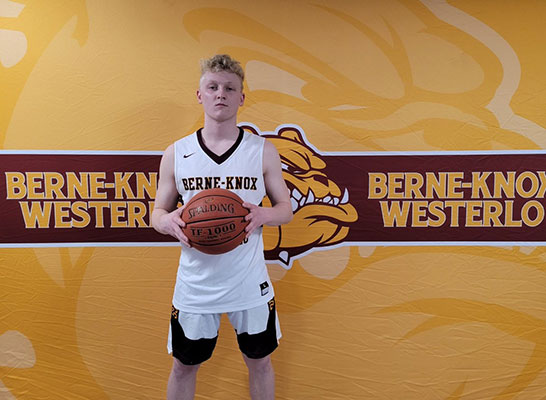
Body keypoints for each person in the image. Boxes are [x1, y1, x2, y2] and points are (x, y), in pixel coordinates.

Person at [152, 54, 293, 400]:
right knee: (183, 367)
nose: (221, 94)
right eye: (212, 87)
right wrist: (167, 221)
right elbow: (156, 213)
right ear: (199, 95)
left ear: (241, 98)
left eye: (230, 88)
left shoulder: (263, 151)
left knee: (260, 363)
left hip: (249, 282)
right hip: (196, 285)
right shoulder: (176, 152)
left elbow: (285, 208)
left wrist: (263, 215)